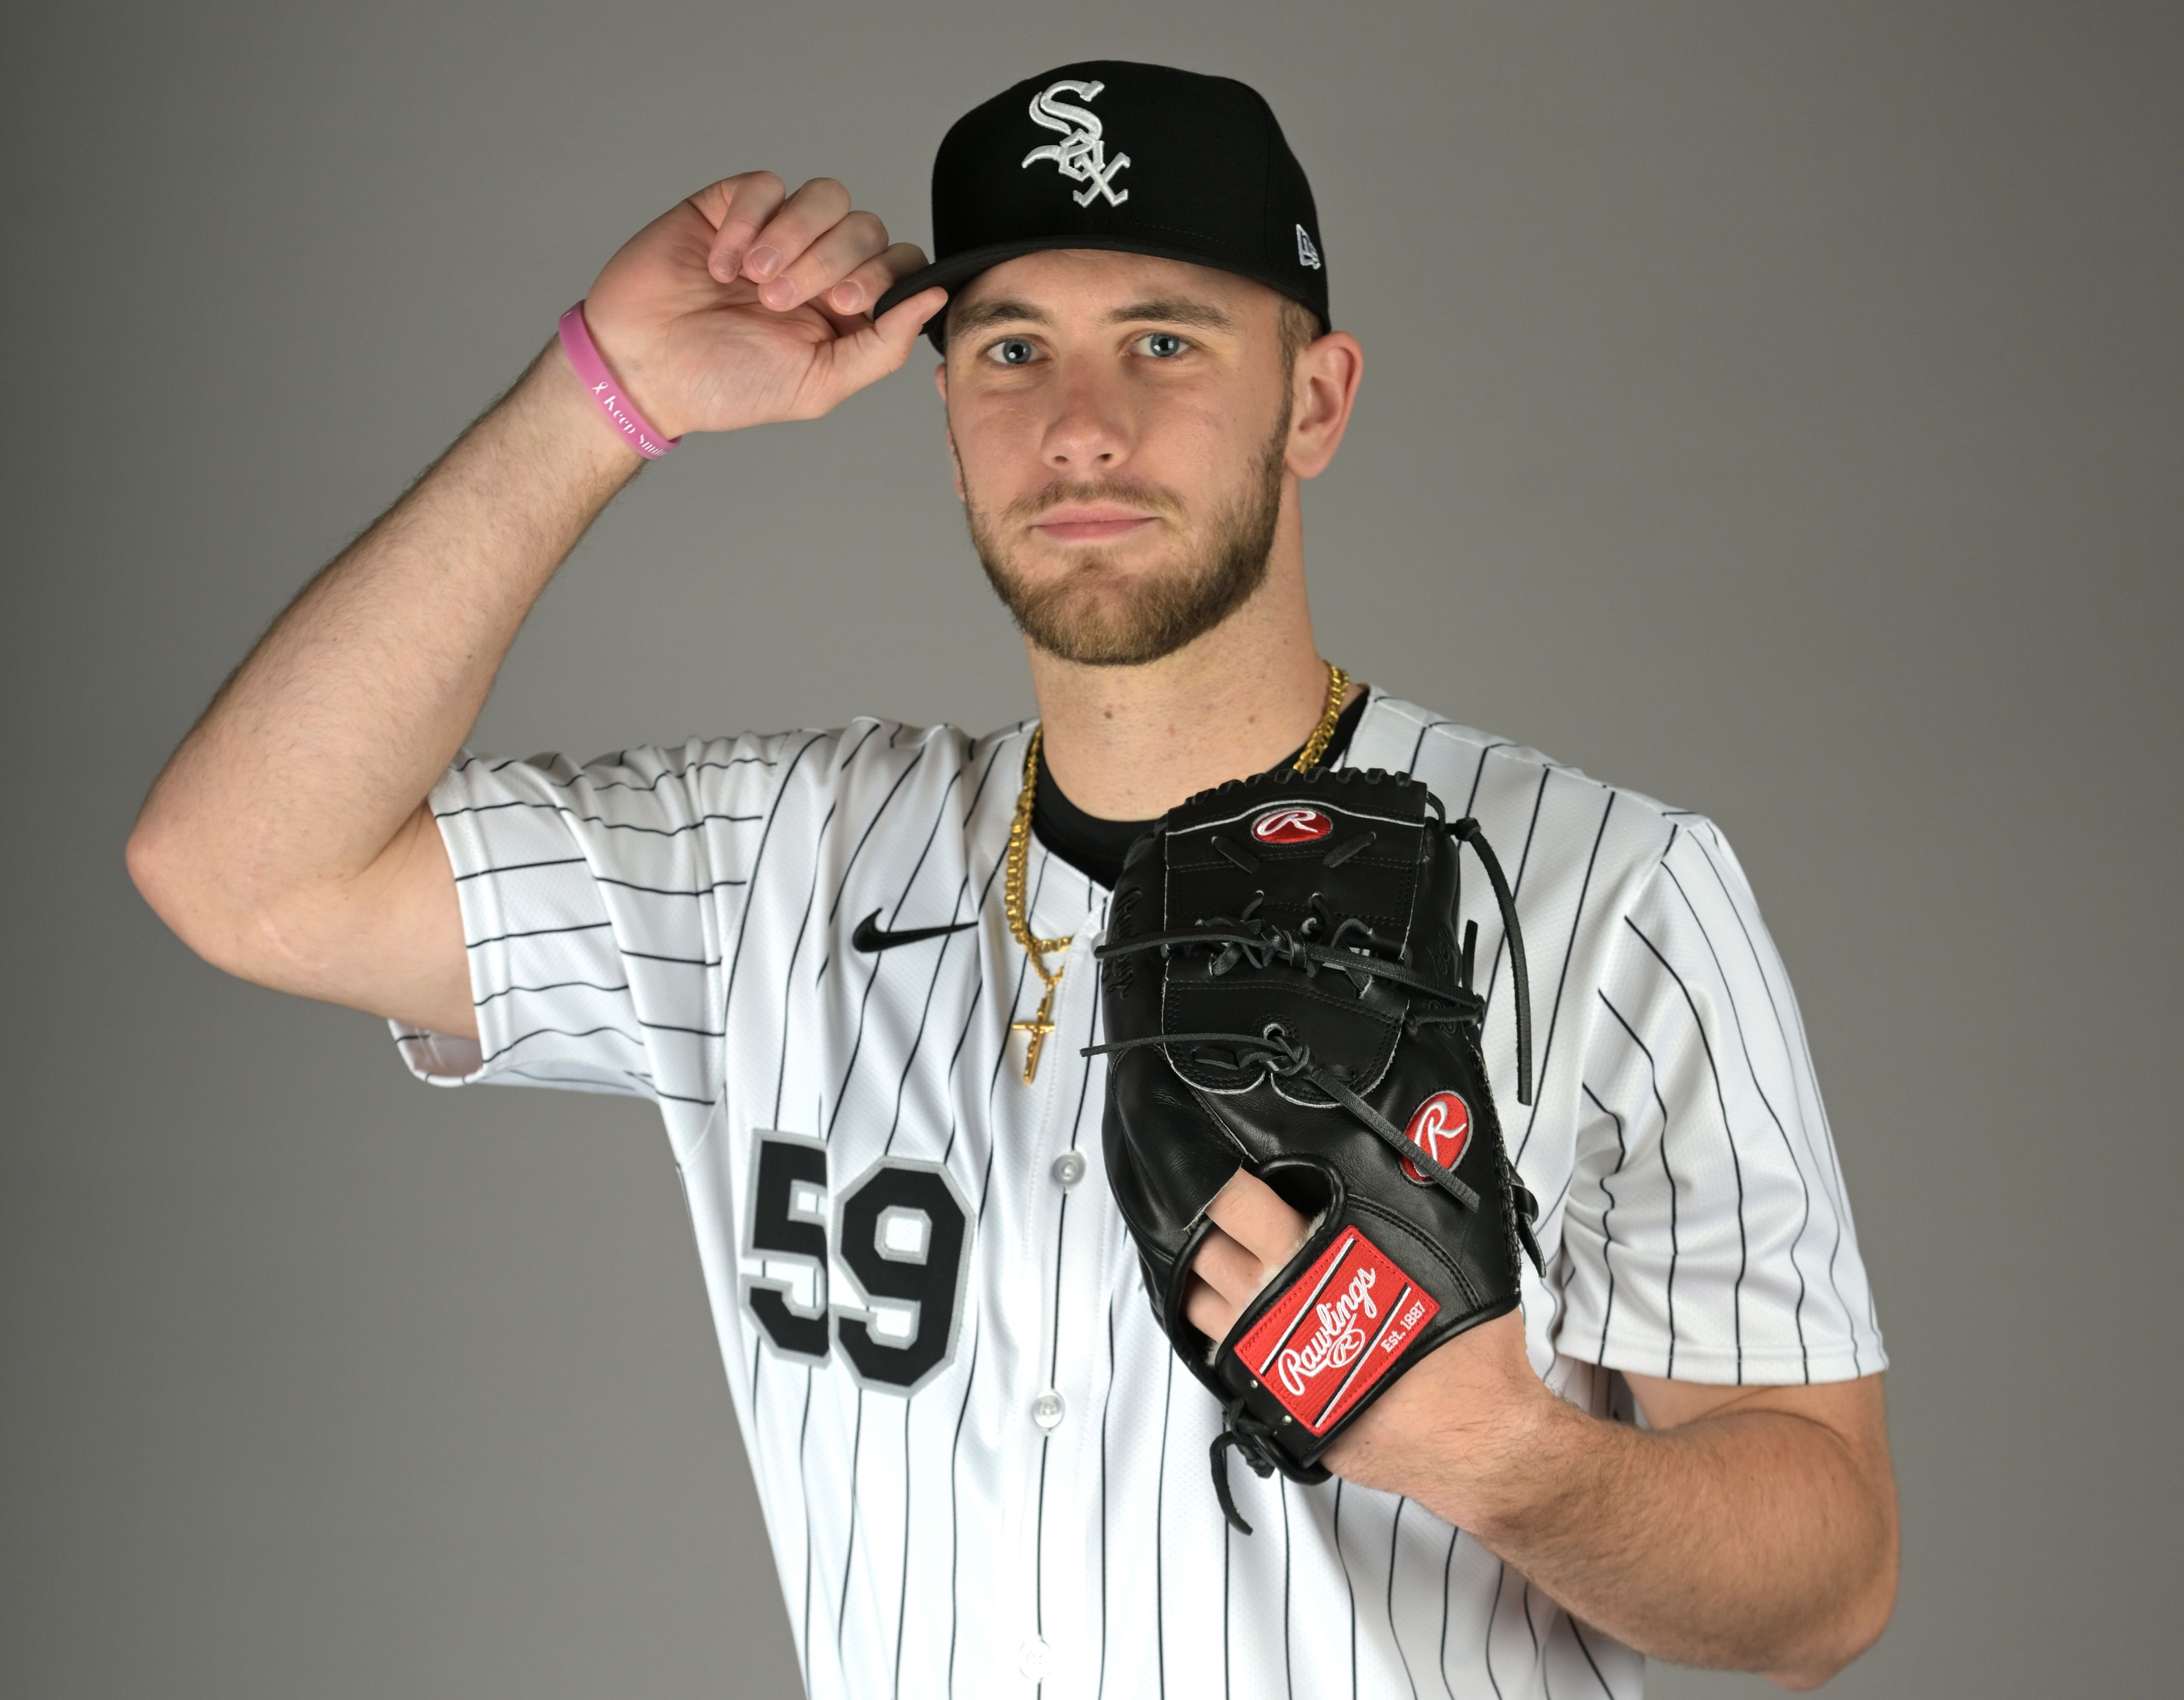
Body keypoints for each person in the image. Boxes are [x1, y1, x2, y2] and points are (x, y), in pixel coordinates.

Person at [127, 60, 1896, 1698]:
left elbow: (1828, 1583)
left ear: (1317, 400)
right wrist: (607, 394)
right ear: (947, 403)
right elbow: (242, 873)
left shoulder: (1609, 889)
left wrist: (1492, 1450)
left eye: (1165, 339)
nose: (1079, 425)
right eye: (1009, 350)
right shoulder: (773, 867)